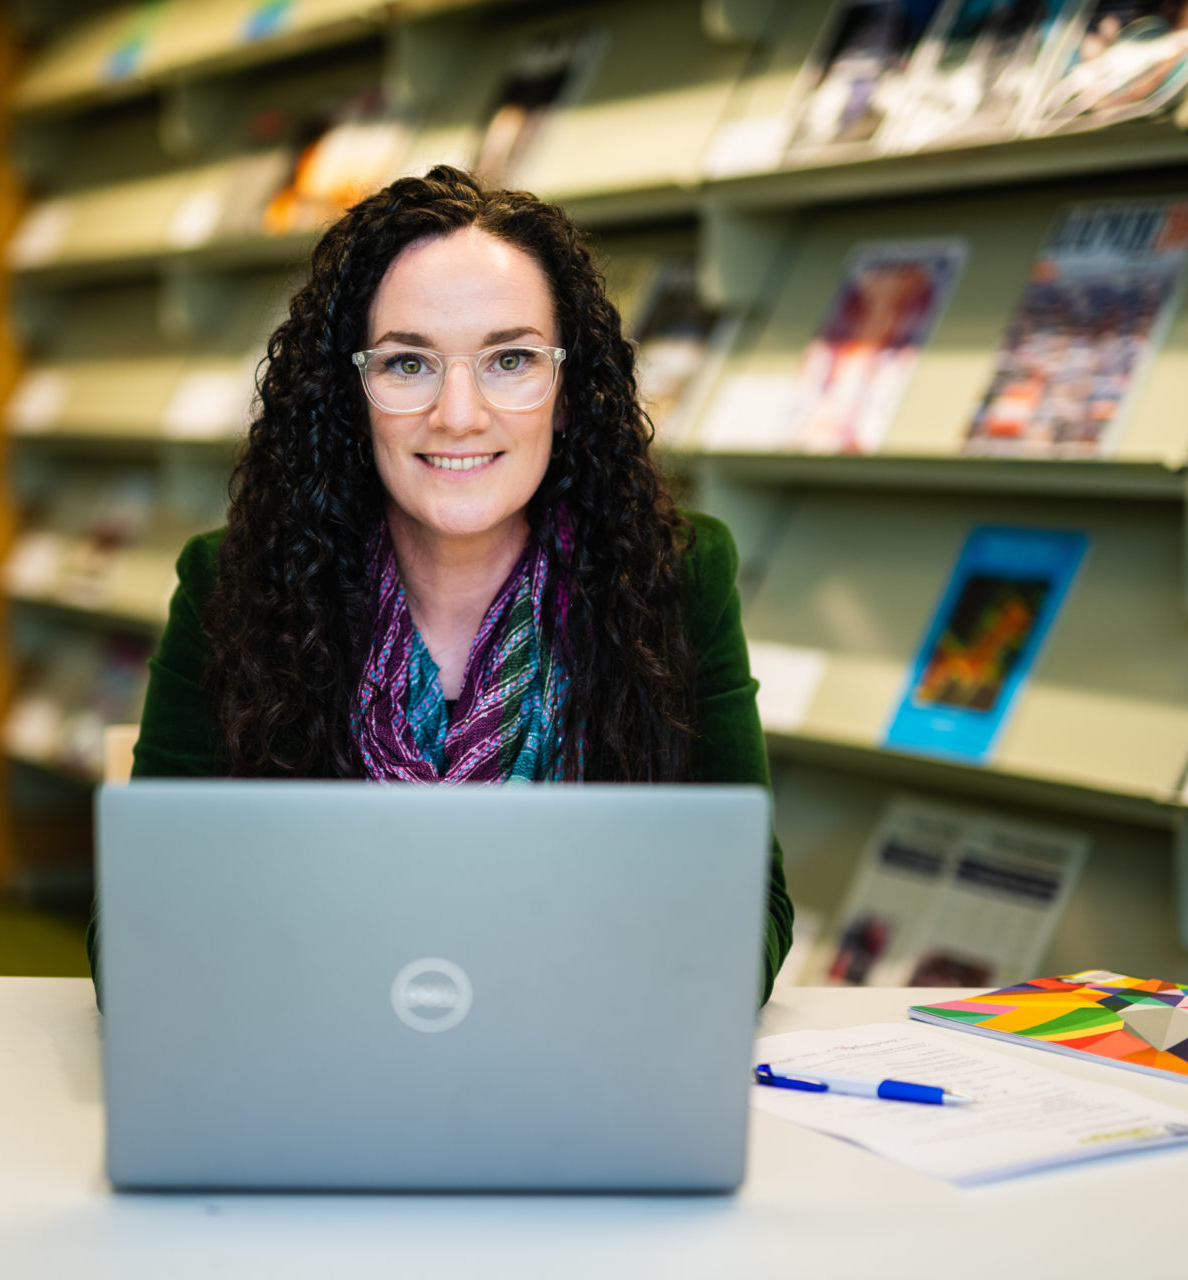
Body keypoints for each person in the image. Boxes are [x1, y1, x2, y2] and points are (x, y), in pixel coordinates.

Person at [92, 164, 793, 1001]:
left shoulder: (673, 576)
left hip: (575, 1075)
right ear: (351, 396)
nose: (458, 413)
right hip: (320, 1078)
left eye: (510, 359)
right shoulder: (234, 581)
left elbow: (750, 904)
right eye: (407, 365)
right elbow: (139, 926)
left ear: (566, 392)